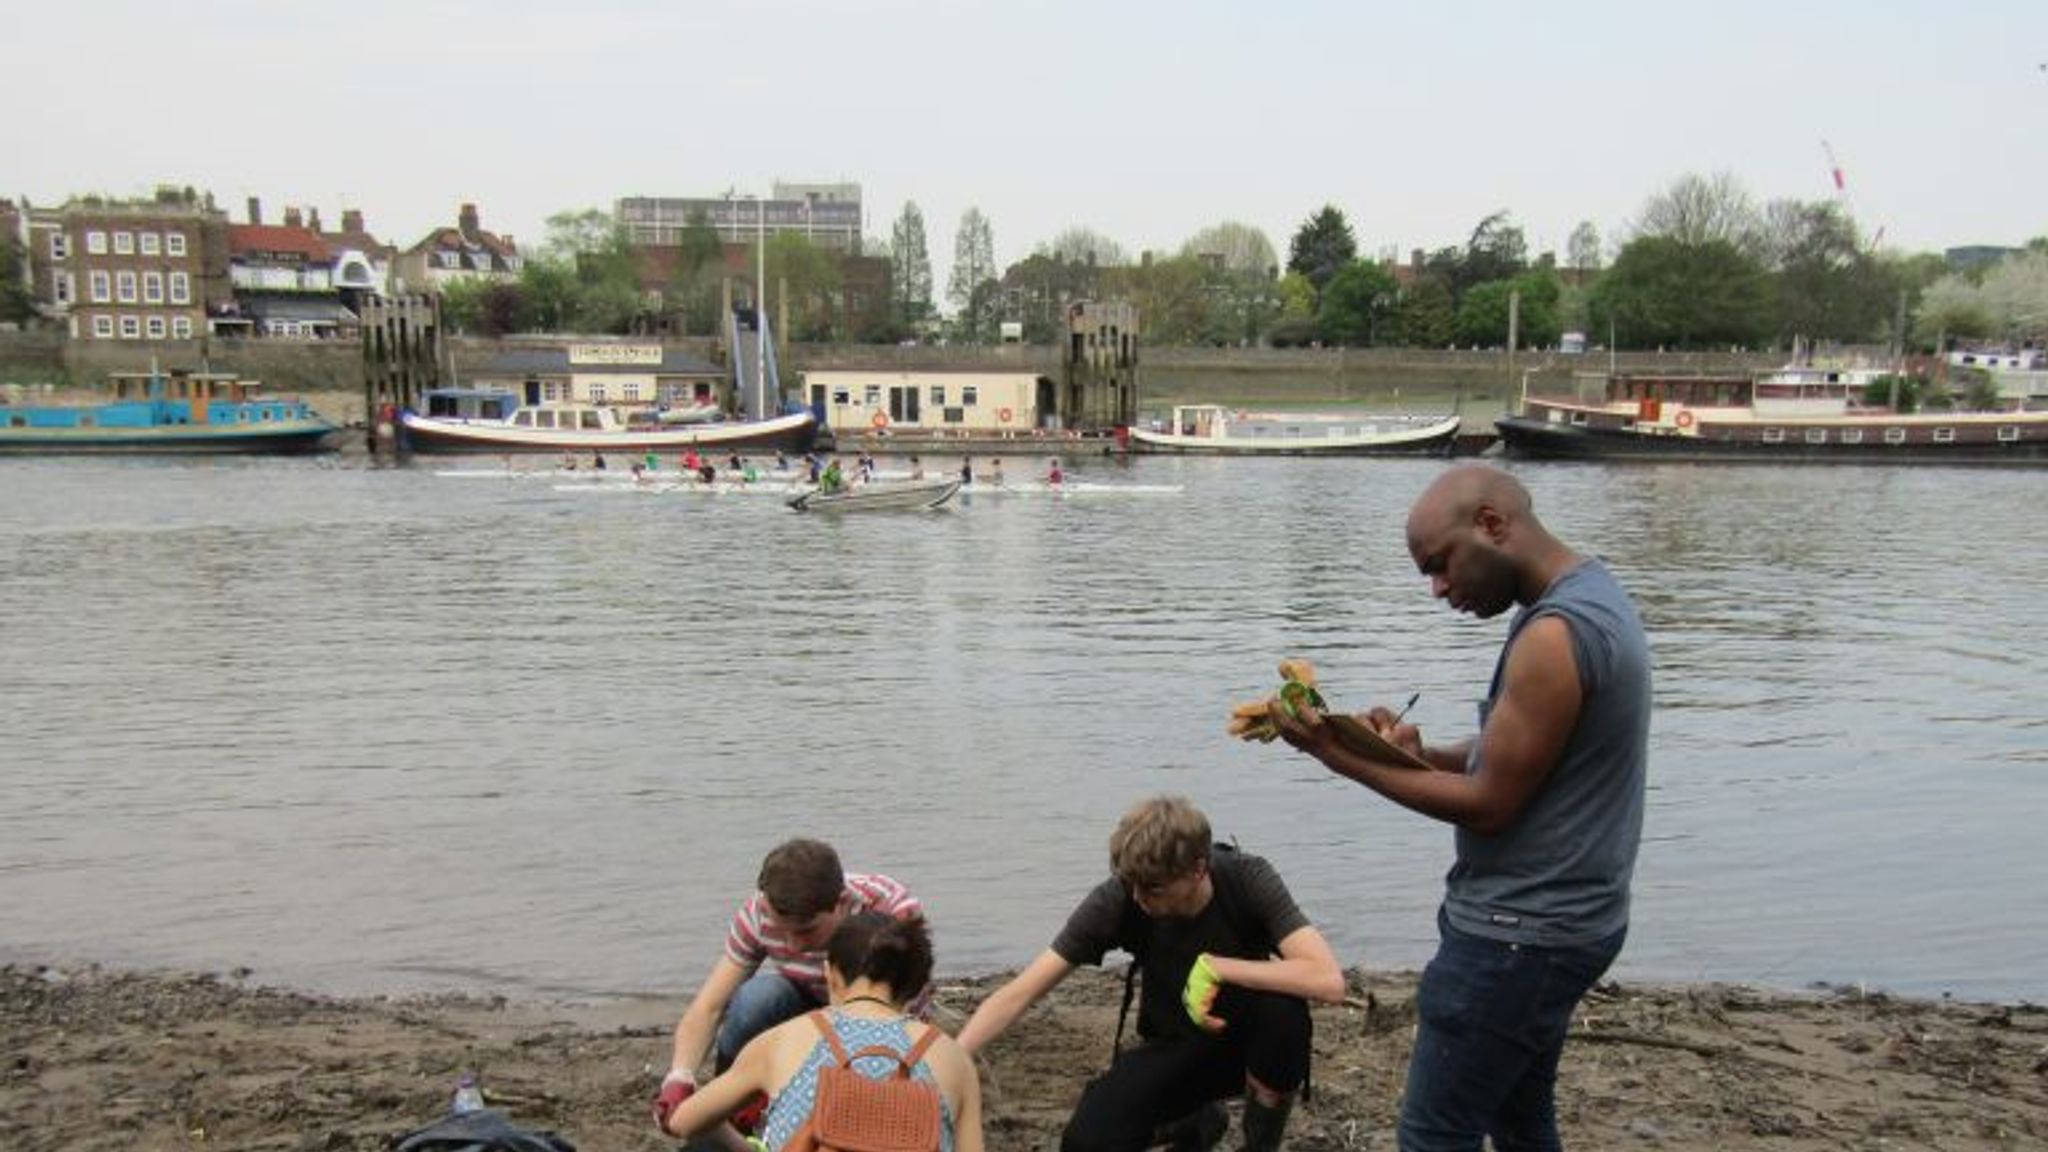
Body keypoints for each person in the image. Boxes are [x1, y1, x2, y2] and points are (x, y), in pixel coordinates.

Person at [1269, 464, 1651, 1152]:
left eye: (1440, 566)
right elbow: (1525, 754)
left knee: (1432, 1136)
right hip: (1572, 923)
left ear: (1492, 525)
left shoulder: (1551, 636)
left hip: (1516, 936)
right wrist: (1420, 756)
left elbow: (1490, 804)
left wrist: (1336, 756)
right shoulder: (1593, 595)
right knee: (1518, 1120)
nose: (1439, 589)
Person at [957, 796, 1343, 1152]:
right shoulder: (1119, 899)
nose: (1140, 899)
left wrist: (1220, 967)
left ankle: (1260, 1146)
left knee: (1283, 1012)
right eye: (1132, 885)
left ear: (1198, 868)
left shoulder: (1247, 878)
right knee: (1086, 1141)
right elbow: (1021, 992)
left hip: (1251, 1042)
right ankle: (1197, 1122)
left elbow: (1327, 980)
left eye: (1154, 888)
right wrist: (948, 1059)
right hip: (1176, 1044)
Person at [662, 840, 927, 1143]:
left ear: (841, 903)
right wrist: (680, 1075)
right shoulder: (758, 913)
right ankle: (732, 1110)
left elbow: (901, 1020)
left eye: (806, 931)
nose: (792, 946)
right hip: (805, 1002)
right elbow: (709, 1006)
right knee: (756, 1000)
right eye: (781, 930)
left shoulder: (890, 913)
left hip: (879, 1022)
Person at [657, 913, 982, 1151]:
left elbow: (683, 1122)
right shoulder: (952, 1058)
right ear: (915, 987)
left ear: (830, 973)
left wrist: (678, 1095)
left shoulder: (781, 1041)